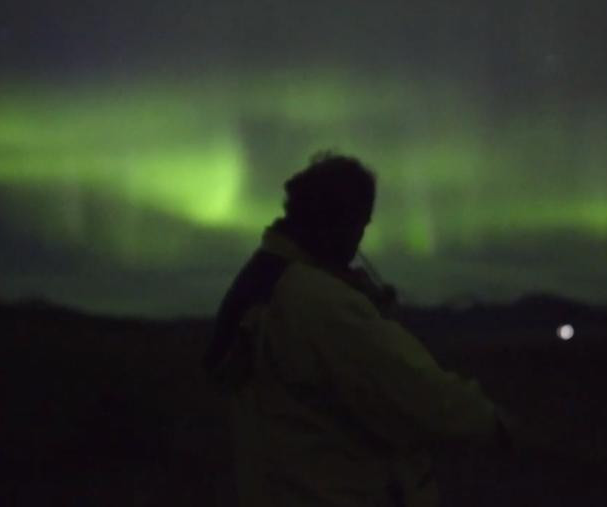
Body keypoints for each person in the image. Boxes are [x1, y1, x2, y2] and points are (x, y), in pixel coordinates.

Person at [203, 152, 511, 507]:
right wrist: (491, 421)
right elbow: (415, 389)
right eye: (360, 223)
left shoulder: (264, 280)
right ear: (339, 220)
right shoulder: (320, 303)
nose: (359, 239)